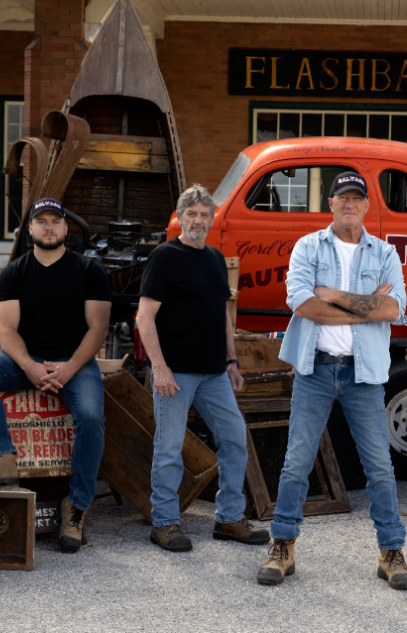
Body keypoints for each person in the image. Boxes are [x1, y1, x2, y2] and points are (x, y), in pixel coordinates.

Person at [255, 171, 407, 590]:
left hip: (364, 374)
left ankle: (391, 551)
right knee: (296, 463)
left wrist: (333, 295)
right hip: (315, 369)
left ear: (367, 205)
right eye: (342, 197)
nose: (349, 203)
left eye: (357, 197)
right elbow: (301, 303)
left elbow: (393, 308)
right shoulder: (308, 247)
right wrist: (364, 308)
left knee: (379, 467)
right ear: (330, 203)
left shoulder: (384, 253)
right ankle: (282, 545)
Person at [0, 198, 111, 553]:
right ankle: (3, 459)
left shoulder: (89, 271)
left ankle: (76, 507)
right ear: (29, 228)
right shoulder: (13, 273)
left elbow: (98, 327)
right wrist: (29, 366)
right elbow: (5, 330)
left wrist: (70, 367)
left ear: (65, 228)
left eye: (55, 221)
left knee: (92, 417)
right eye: (41, 221)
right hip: (25, 359)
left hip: (75, 362)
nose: (49, 227)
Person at [136, 185, 269, 552]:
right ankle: (164, 522)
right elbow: (144, 317)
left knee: (235, 438)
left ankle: (229, 518)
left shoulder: (214, 258)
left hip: (214, 374)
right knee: (169, 448)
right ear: (180, 217)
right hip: (175, 373)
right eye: (191, 214)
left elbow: (222, 314)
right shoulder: (165, 257)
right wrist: (159, 367)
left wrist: (231, 361)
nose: (198, 220)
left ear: (212, 219)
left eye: (204, 214)